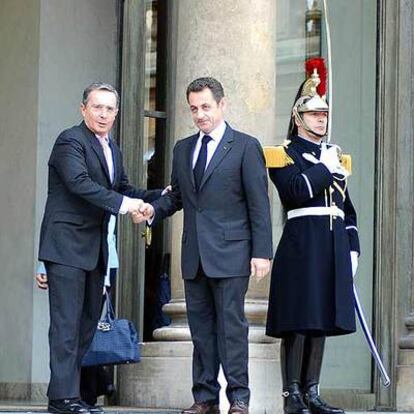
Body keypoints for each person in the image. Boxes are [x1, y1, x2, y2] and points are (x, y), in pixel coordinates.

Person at [133, 77, 273, 414]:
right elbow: (178, 197)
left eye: (206, 107)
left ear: (222, 105)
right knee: (201, 331)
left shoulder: (245, 146)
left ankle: (239, 398)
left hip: (232, 253)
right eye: (194, 108)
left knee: (232, 329)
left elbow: (259, 204)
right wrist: (152, 209)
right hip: (195, 255)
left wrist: (262, 252)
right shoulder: (183, 149)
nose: (200, 115)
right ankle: (205, 398)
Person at [36, 82, 165, 414]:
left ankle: (71, 393)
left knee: (87, 323)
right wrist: (128, 205)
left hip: (95, 250)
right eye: (97, 107)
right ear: (83, 109)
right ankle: (62, 398)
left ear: (117, 113)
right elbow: (80, 185)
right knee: (66, 325)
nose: (104, 113)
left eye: (110, 108)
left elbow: (122, 187)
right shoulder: (70, 141)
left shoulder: (112, 149)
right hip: (65, 247)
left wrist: (157, 197)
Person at [264, 58, 360, 414]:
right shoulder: (283, 155)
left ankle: (313, 390)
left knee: (320, 318)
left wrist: (352, 248)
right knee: (299, 319)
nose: (322, 119)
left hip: (332, 244)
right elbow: (296, 191)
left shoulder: (334, 157)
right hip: (303, 243)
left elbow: (347, 210)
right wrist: (324, 167)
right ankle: (292, 395)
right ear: (298, 118)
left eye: (324, 114)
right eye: (315, 114)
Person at [36, 214, 118, 408]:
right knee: (67, 328)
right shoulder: (84, 182)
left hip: (104, 258)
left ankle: (75, 395)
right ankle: (64, 396)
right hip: (71, 253)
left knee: (86, 330)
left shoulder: (113, 183)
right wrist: (45, 266)